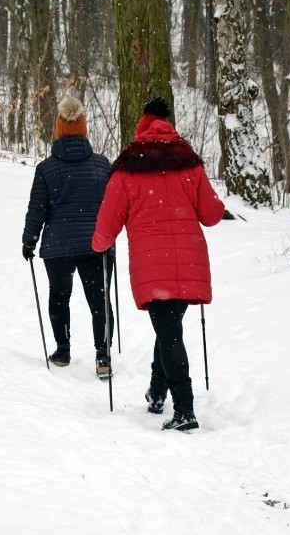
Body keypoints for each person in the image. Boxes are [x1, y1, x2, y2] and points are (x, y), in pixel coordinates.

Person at [92, 97, 224, 431]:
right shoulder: (188, 162)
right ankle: (156, 392)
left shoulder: (128, 167)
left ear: (141, 127)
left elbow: (108, 222)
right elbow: (211, 215)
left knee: (169, 334)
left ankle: (185, 410)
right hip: (189, 259)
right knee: (169, 330)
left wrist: (99, 244)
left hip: (153, 264)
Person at [22, 96, 114, 377]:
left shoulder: (46, 169)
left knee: (59, 296)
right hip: (96, 245)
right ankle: (103, 356)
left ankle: (62, 351)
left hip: (58, 246)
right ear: (84, 130)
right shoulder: (101, 165)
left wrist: (29, 240)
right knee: (99, 301)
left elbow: (37, 208)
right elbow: (112, 207)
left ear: (58, 131)